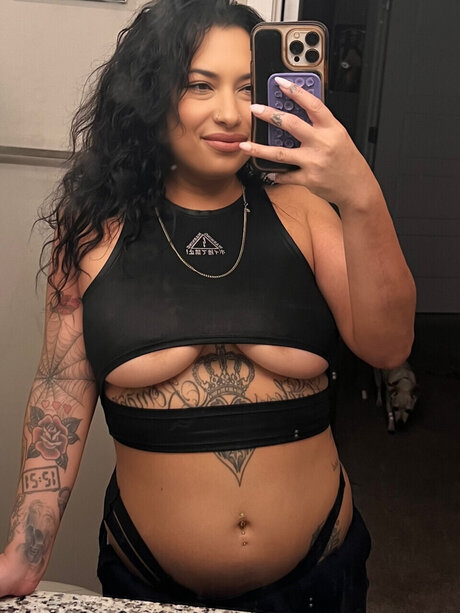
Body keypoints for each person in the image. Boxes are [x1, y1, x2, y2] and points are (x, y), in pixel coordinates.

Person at [0, 0, 416, 611]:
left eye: (247, 87)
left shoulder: (304, 212)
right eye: (200, 85)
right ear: (153, 95)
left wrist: (360, 194)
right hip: (149, 582)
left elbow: (389, 345)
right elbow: (61, 386)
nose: (229, 111)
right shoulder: (92, 230)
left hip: (319, 580)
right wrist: (25, 552)